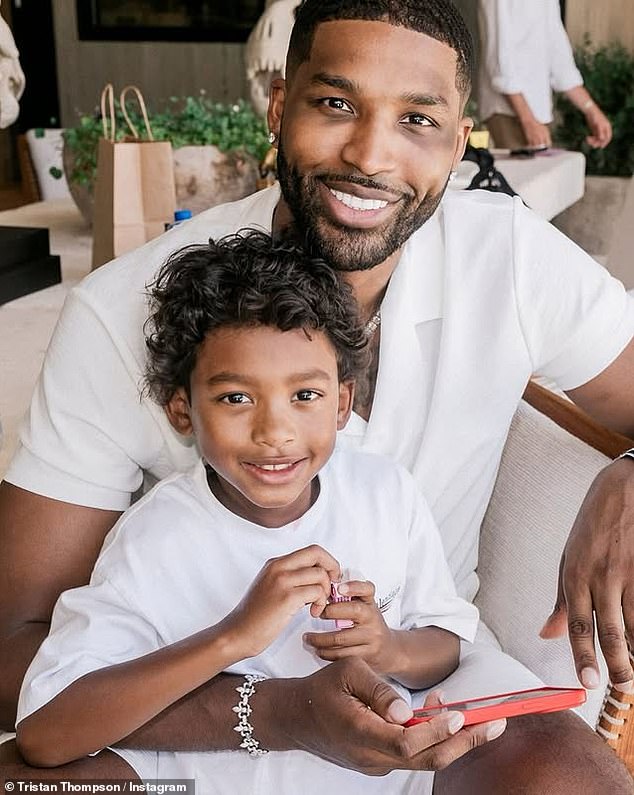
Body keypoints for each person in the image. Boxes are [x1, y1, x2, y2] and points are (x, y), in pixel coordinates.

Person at [2, 0, 634, 791]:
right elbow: (19, 647)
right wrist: (274, 711)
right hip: (190, 708)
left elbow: (435, 637)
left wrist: (630, 471)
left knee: (576, 777)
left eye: (418, 118)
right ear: (279, 102)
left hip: (424, 688)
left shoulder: (507, 256)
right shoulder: (121, 309)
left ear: (459, 133)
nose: (371, 154)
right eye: (336, 104)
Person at [15, 231, 481, 791]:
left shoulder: (385, 494)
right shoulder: (157, 537)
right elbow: (44, 734)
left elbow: (447, 643)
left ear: (341, 403)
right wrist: (234, 636)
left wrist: (389, 648)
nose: (275, 433)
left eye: (304, 396)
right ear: (183, 412)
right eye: (236, 398)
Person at [477, 0, 612, 150]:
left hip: (539, 114)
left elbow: (559, 59)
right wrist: (528, 121)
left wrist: (591, 110)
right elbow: (499, 62)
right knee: (519, 174)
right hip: (507, 111)